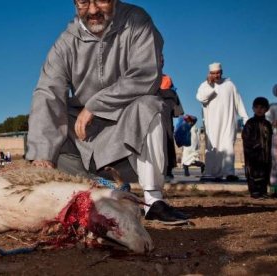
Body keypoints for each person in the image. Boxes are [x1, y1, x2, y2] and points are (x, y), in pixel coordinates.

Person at [26, 0, 188, 224]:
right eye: (83, 2)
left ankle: (153, 201)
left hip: (126, 127)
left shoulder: (137, 22)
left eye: (100, 0)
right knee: (49, 126)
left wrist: (95, 105)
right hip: (84, 136)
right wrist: (42, 154)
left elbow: (146, 75)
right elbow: (47, 92)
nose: (92, 10)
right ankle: (99, 190)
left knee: (149, 106)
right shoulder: (65, 43)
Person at [196, 62, 249, 182]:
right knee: (213, 147)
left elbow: (238, 102)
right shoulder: (204, 85)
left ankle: (229, 172)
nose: (216, 75)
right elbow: (201, 98)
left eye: (218, 73)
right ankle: (211, 172)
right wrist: (210, 86)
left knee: (228, 146)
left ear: (221, 72)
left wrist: (245, 118)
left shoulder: (230, 85)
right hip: (212, 123)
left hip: (228, 121)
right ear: (209, 74)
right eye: (213, 73)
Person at [242, 97, 272, 198]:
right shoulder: (250, 123)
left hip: (265, 155)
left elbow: (270, 140)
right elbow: (245, 138)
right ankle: (254, 192)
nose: (259, 109)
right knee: (254, 174)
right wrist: (255, 146)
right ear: (253, 109)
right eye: (256, 107)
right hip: (253, 156)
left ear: (266, 109)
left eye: (262, 107)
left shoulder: (267, 124)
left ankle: (263, 191)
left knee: (265, 173)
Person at [265, 84, 277, 196]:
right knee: (275, 165)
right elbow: (267, 123)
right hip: (275, 138)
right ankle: (274, 190)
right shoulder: (272, 107)